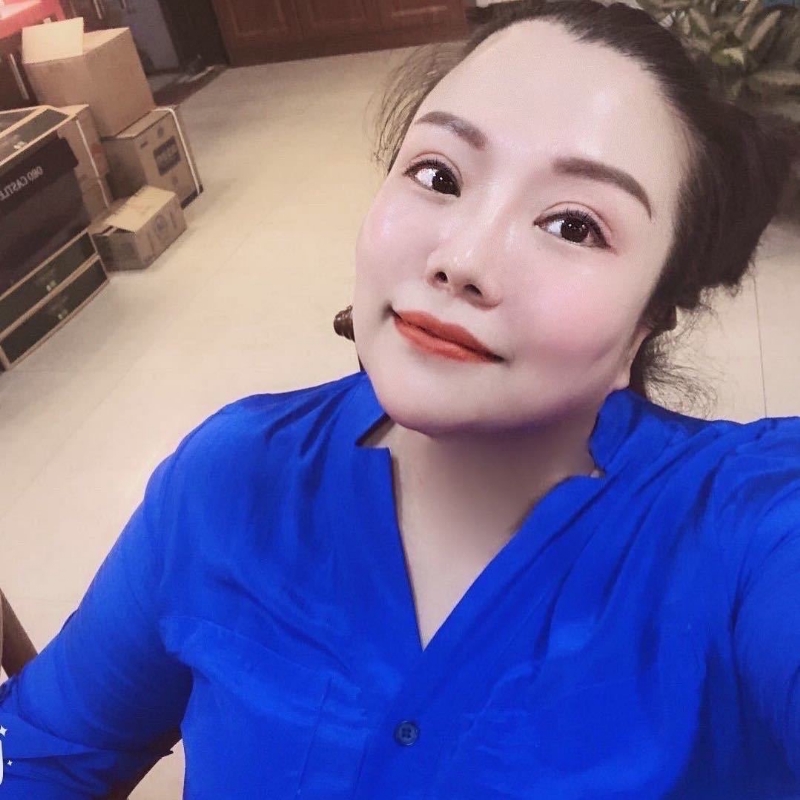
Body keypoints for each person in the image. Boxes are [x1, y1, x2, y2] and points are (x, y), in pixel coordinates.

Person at [1, 1, 798, 797]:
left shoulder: (738, 535)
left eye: (573, 226)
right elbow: (47, 749)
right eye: (438, 176)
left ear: (648, 317)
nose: (463, 258)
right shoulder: (230, 480)